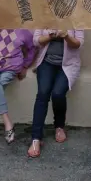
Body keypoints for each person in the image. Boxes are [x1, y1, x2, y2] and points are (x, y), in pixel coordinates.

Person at [28, 29, 84, 158]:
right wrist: (50, 36)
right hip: (47, 63)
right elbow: (36, 41)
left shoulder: (76, 18)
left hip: (68, 65)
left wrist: (66, 36)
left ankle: (59, 126)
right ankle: (36, 138)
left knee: (58, 94)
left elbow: (79, 43)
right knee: (42, 94)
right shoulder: (45, 14)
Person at [0, 29, 36, 149]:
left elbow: (32, 48)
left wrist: (25, 65)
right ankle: (7, 121)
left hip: (10, 68)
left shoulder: (22, 29)